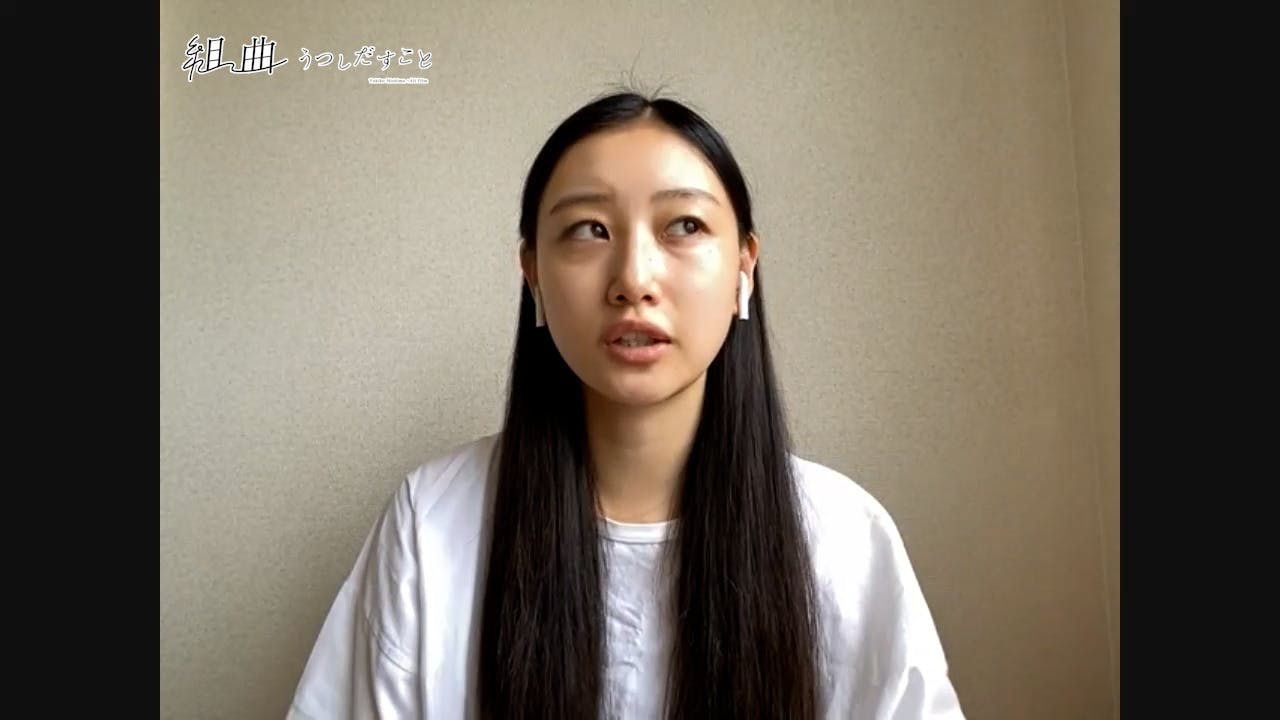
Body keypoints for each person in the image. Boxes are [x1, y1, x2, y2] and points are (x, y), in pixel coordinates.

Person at [287, 90, 964, 719]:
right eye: (589, 229)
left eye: (685, 225)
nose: (634, 279)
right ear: (533, 274)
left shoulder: (844, 540)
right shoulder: (432, 525)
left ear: (744, 268)